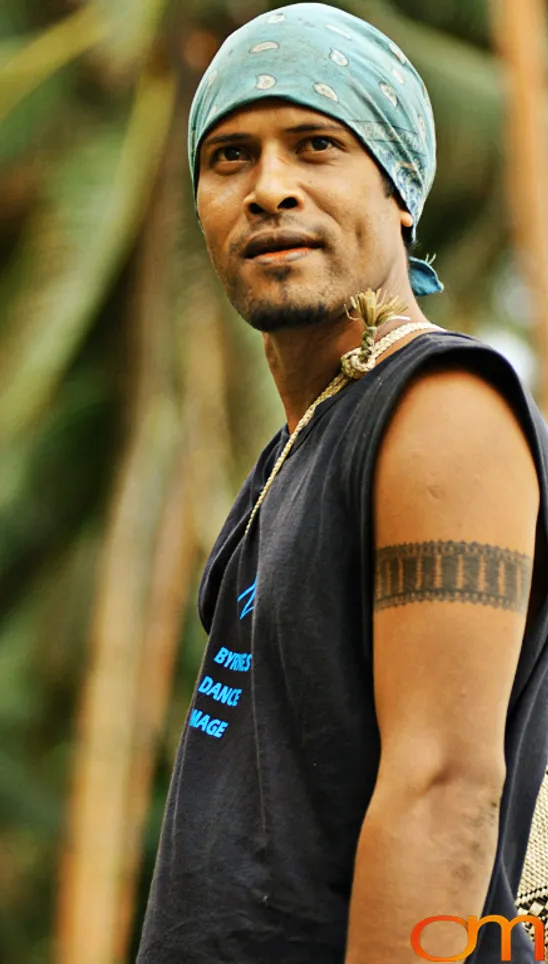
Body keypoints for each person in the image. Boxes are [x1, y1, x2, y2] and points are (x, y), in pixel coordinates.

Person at [137, 4, 548, 962]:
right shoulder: (299, 448)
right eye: (229, 157)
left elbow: (444, 787)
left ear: (400, 186)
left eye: (316, 145)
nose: (269, 189)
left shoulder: (440, 408)